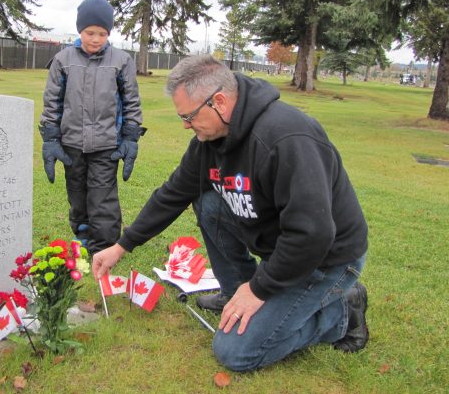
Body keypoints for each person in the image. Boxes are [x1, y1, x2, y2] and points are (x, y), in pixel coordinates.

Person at [93, 55, 369, 372]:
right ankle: (234, 291)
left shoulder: (287, 138)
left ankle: (341, 313)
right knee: (209, 203)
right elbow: (173, 194)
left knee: (236, 352)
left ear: (220, 102)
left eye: (189, 116)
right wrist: (122, 245)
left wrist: (259, 290)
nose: (185, 125)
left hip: (324, 258)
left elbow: (313, 234)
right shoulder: (209, 140)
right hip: (283, 247)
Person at [39, 0, 144, 255]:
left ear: (108, 33)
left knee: (102, 197)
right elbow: (52, 101)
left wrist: (130, 136)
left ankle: (105, 245)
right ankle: (83, 234)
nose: (95, 39)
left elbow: (131, 100)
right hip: (71, 143)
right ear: (80, 30)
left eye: (102, 33)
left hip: (106, 144)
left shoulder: (121, 61)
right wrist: (51, 138)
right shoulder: (63, 60)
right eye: (90, 33)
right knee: (76, 192)